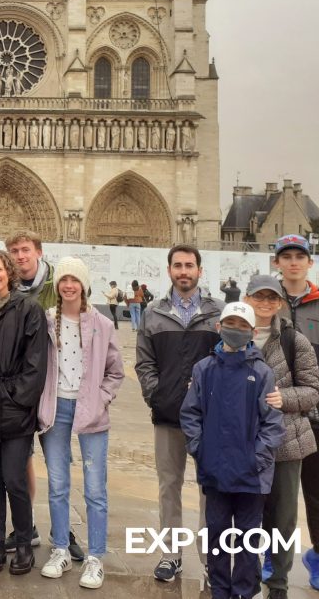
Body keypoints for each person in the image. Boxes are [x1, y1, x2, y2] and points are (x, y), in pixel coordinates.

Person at [180, 302, 284, 599]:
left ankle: (244, 590)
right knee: (218, 535)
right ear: (218, 327)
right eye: (230, 324)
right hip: (215, 473)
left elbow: (273, 423)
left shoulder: (262, 373)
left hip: (253, 477)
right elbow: (190, 414)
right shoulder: (204, 369)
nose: (235, 331)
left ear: (252, 332)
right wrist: (201, 450)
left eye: (242, 326)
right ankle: (220, 590)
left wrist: (256, 459)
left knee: (249, 537)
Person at [135, 244, 223, 583]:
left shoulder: (219, 312)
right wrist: (156, 395)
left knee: (209, 490)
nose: (183, 271)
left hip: (210, 419)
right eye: (178, 265)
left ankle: (209, 558)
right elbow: (144, 362)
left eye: (189, 265)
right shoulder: (154, 312)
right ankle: (170, 554)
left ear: (200, 270)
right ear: (169, 270)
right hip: (168, 415)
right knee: (168, 486)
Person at [37, 258, 124, 589]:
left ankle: (95, 557)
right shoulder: (47, 321)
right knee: (58, 484)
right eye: (63, 280)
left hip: (91, 412)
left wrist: (101, 399)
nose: (68, 285)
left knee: (94, 488)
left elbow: (116, 371)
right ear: (57, 286)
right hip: (56, 409)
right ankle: (60, 548)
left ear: (84, 284)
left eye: (74, 280)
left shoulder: (102, 324)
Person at [0, 250, 46, 577]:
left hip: (16, 410)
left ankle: (24, 544)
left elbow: (36, 364)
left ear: (9, 273)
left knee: (15, 480)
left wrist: (13, 395)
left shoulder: (29, 309)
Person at [5, 229, 80, 559]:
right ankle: (28, 525)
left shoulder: (59, 286)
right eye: (14, 251)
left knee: (57, 465)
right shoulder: (6, 289)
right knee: (21, 465)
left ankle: (64, 531)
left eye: (25, 250)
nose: (20, 256)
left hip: (53, 389)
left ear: (38, 251)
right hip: (20, 392)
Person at [245, 273, 319, 599]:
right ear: (247, 298)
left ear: (279, 303)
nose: (265, 303)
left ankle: (278, 584)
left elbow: (313, 390)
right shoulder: (233, 334)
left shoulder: (294, 340)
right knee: (248, 517)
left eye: (271, 298)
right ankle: (247, 577)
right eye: (258, 297)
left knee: (284, 518)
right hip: (244, 443)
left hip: (287, 442)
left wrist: (283, 398)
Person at [272, 234, 319, 591]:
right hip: (276, 417)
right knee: (277, 493)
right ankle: (273, 555)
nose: (293, 262)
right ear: (277, 263)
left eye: (300, 256)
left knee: (317, 489)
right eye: (287, 256)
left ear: (310, 262)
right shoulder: (267, 302)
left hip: (315, 418)